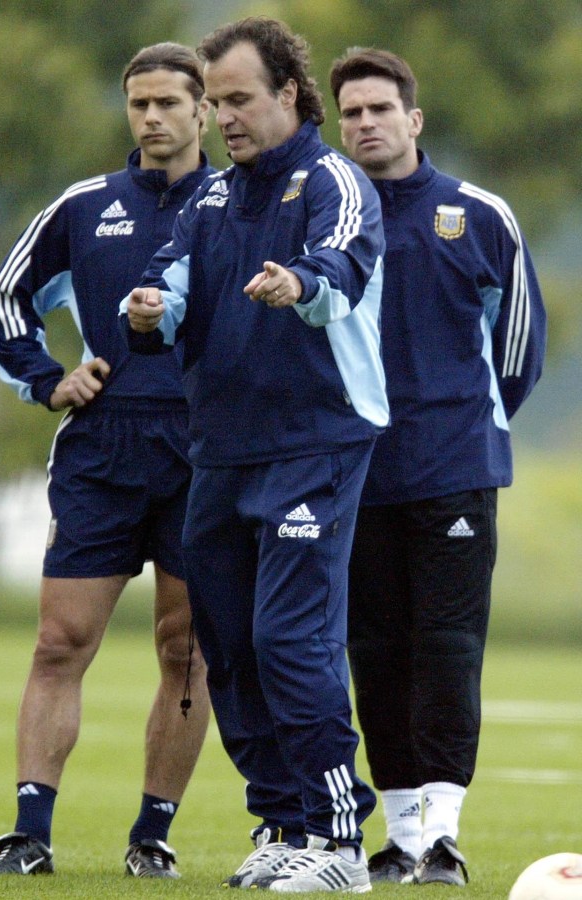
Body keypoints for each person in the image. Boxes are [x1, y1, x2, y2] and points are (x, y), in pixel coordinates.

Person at [123, 17, 387, 894]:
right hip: (222, 449)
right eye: (217, 102)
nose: (225, 117)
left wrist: (299, 283)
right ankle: (284, 819)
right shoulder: (206, 198)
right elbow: (173, 280)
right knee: (228, 642)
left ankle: (340, 840)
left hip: (316, 443)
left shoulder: (333, 179)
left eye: (239, 99)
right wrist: (150, 308)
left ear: (288, 95)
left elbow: (342, 263)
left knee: (289, 637)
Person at [0, 43, 213, 879]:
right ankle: (29, 832)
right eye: (138, 104)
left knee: (186, 649)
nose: (151, 117)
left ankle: (152, 839)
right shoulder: (85, 205)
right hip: (102, 450)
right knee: (59, 642)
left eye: (168, 103)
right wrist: (48, 380)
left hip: (205, 454)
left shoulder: (237, 202)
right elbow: (6, 296)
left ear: (205, 110)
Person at [328, 48, 546, 886]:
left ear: (413, 119)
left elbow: (519, 346)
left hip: (455, 468)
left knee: (448, 648)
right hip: (356, 475)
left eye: (380, 109)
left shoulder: (477, 212)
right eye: (351, 114)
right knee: (375, 653)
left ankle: (444, 837)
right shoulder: (328, 218)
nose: (366, 124)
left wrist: (470, 423)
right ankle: (398, 836)